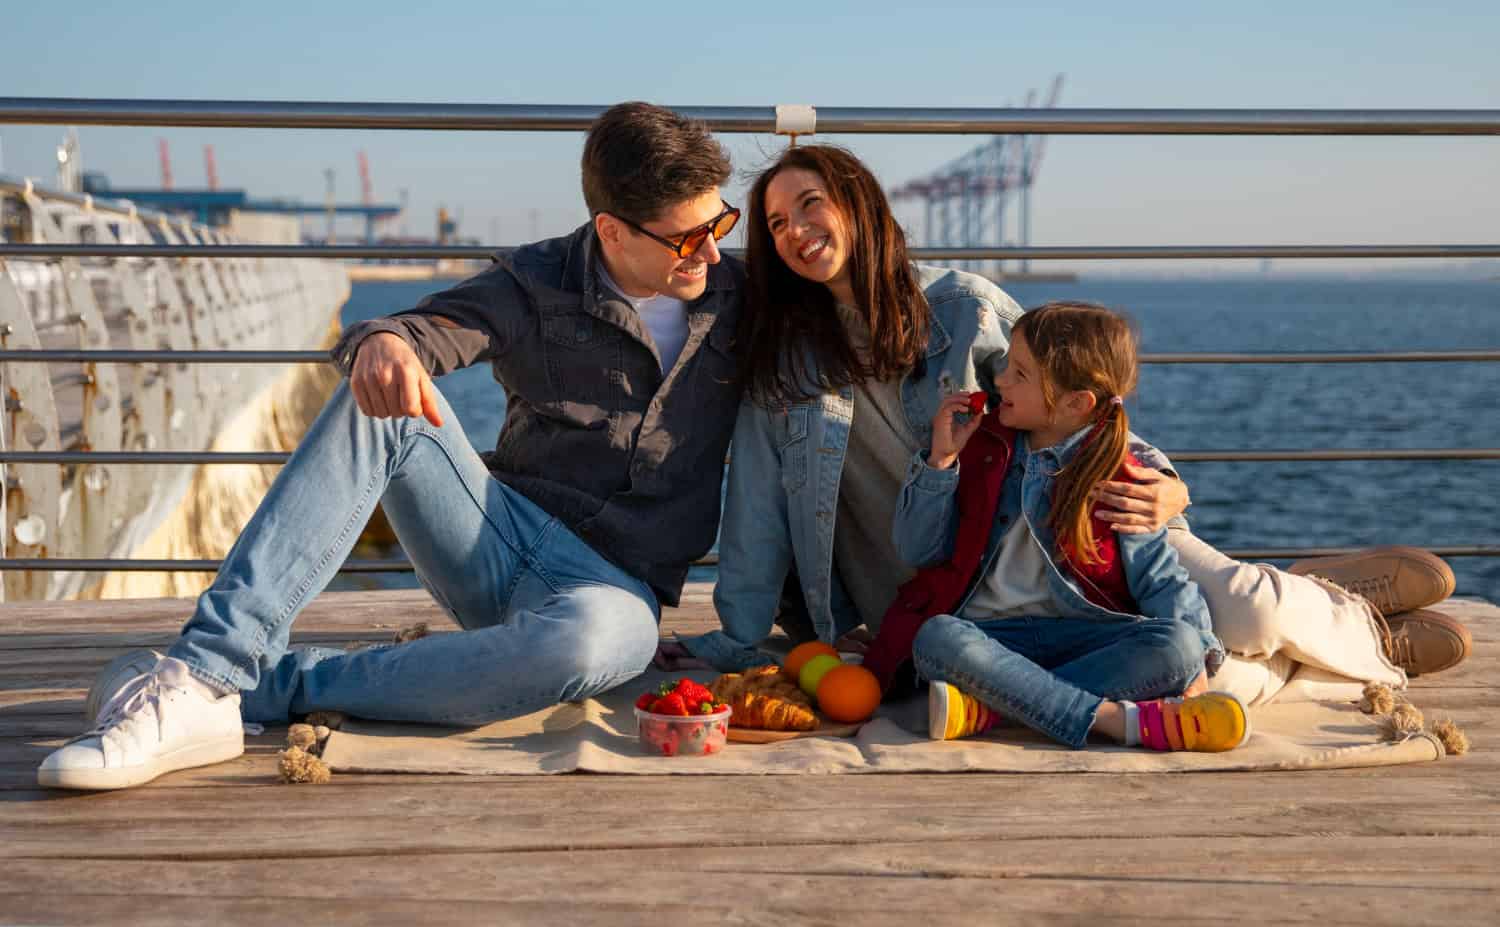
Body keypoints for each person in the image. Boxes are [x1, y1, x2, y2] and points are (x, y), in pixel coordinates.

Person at [39, 102, 747, 790]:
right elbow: (414, 330)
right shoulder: (536, 281)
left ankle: (266, 687)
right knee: (385, 398)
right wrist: (382, 343)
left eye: (720, 221)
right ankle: (206, 671)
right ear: (612, 232)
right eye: (687, 238)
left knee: (592, 646)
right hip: (498, 542)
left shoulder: (738, 293)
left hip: (615, 592)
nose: (712, 249)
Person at [667, 143, 1467, 705]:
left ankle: (1351, 620)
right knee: (1199, 676)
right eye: (773, 223)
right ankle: (1348, 643)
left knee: (1250, 613)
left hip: (1087, 524)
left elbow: (1080, 400)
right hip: (974, 596)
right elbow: (757, 522)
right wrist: (730, 640)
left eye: (811, 203)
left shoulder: (964, 312)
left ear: (860, 207)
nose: (795, 229)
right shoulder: (785, 371)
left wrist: (1171, 487)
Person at [892, 301, 1247, 750]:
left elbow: (1160, 581)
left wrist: (1197, 664)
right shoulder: (978, 447)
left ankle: (992, 709)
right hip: (988, 639)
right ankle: (1116, 722)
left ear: (1076, 404)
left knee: (1179, 645)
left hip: (1085, 638)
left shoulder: (1121, 475)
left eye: (1020, 374)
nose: (999, 380)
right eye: (1006, 366)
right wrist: (940, 462)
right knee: (937, 636)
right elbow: (916, 552)